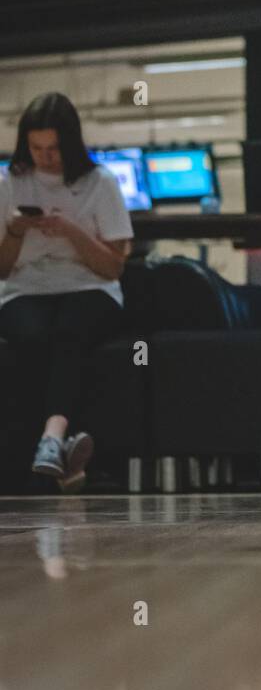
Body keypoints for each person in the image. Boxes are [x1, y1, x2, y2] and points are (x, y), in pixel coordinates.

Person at [0, 93, 133, 490]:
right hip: (26, 286)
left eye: (54, 148)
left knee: (70, 330)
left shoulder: (101, 183)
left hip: (89, 285)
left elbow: (113, 266)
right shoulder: (11, 183)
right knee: (30, 336)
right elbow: (3, 269)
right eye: (37, 148)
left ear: (70, 143)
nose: (45, 158)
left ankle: (52, 437)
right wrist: (15, 232)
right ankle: (59, 449)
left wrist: (72, 231)